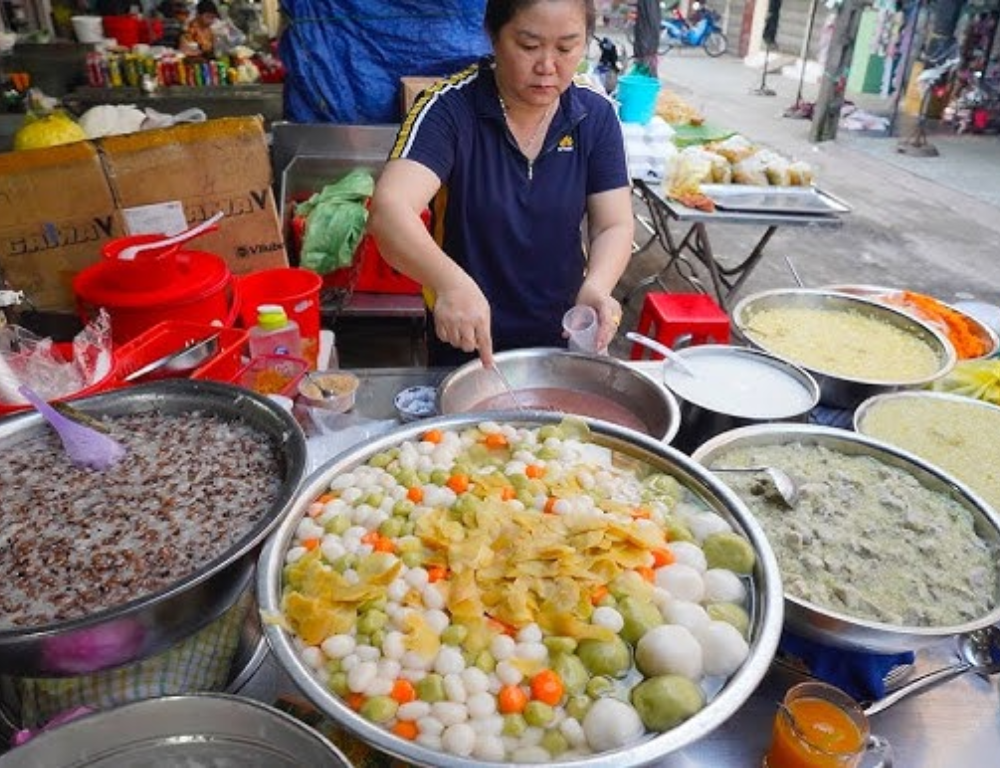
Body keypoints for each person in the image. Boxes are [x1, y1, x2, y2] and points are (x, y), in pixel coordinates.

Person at [369, 0, 633, 368]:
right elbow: (389, 210)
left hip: (562, 339)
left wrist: (597, 287)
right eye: (528, 46)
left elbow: (614, 224)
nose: (547, 66)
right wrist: (448, 283)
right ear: (493, 36)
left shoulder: (595, 115)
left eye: (566, 47)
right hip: (468, 340)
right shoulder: (448, 109)